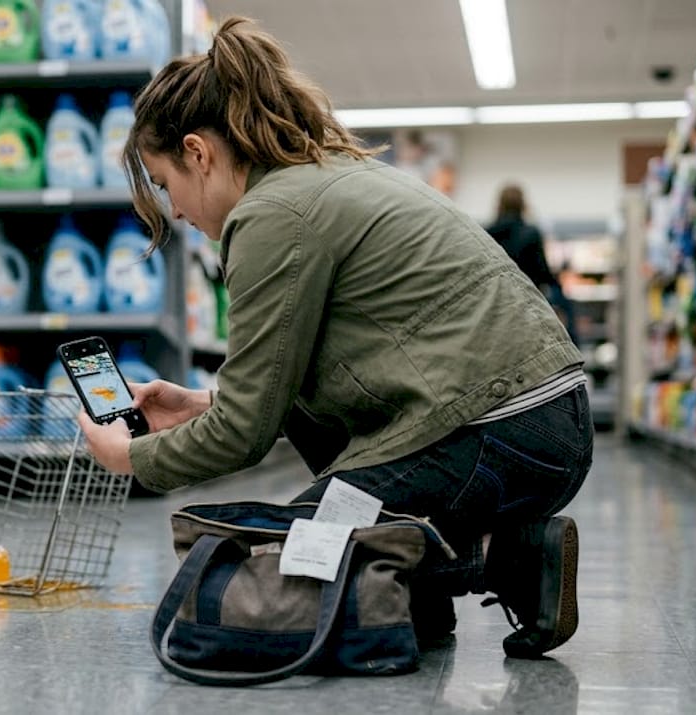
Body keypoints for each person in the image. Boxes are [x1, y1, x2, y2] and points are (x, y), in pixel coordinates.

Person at [76, 17, 592, 659]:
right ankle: (410, 600)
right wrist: (201, 404)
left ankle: (509, 559)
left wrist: (130, 459)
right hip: (543, 419)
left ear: (198, 153)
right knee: (310, 514)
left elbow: (244, 435)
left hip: (496, 430)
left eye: (164, 184)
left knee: (292, 556)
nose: (174, 210)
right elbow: (317, 371)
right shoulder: (327, 174)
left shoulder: (270, 215)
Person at [486, 184, 580, 344]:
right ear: (523, 205)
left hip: (496, 307)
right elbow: (543, 272)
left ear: (499, 205)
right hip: (526, 306)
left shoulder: (487, 233)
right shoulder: (530, 233)